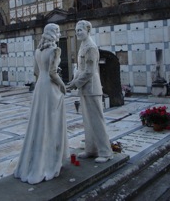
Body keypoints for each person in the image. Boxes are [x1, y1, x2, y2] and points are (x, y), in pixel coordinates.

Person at [14, 23, 69, 184]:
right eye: (58, 32)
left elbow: (37, 72)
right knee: (50, 124)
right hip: (50, 88)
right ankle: (49, 161)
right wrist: (63, 85)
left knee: (39, 123)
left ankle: (35, 161)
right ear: (52, 33)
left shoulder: (38, 51)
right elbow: (53, 73)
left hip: (40, 87)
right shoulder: (55, 50)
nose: (59, 34)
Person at [67, 20, 113, 163]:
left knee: (97, 121)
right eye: (76, 30)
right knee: (88, 121)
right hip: (85, 89)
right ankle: (91, 149)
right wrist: (74, 79)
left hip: (92, 88)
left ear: (88, 31)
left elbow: (89, 71)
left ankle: (105, 152)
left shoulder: (91, 47)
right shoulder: (83, 46)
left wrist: (75, 84)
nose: (77, 33)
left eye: (80, 30)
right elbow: (80, 68)